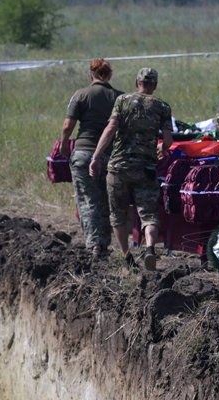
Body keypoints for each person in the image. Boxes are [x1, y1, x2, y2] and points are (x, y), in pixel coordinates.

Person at [89, 67, 174, 270]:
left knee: (117, 213)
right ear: (154, 85)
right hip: (146, 168)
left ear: (137, 83)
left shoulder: (122, 101)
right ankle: (150, 249)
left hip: (119, 167)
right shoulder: (162, 106)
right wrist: (163, 146)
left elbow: (110, 129)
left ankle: (127, 256)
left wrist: (96, 156)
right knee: (148, 213)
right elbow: (168, 139)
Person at [58, 58, 121, 258]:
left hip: (84, 152)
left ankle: (94, 244)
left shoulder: (81, 95)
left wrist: (64, 142)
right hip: (109, 155)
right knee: (105, 199)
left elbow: (68, 125)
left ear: (90, 75)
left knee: (87, 200)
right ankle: (104, 243)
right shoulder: (119, 97)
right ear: (109, 75)